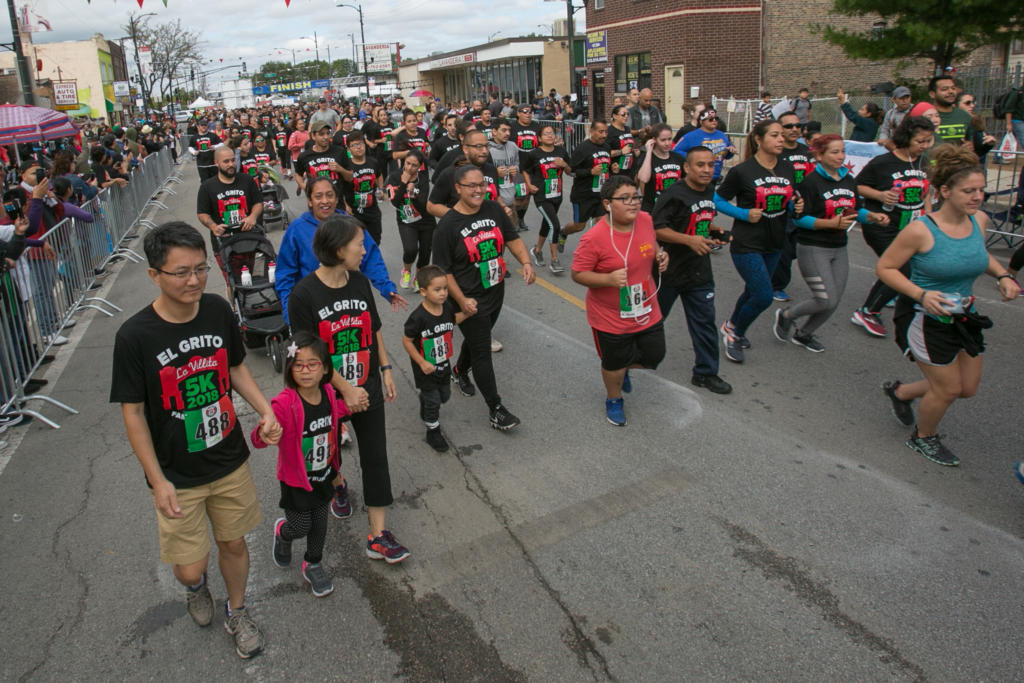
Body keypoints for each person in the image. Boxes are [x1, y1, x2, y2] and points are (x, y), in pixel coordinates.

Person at [110, 221, 282, 659]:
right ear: (154, 275)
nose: (193, 280)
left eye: (201, 269)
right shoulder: (134, 336)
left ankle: (238, 611)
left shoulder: (218, 310)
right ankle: (197, 588)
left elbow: (236, 367)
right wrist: (157, 480)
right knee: (189, 568)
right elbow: (133, 414)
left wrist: (265, 411)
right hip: (176, 473)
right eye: (181, 272)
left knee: (234, 542)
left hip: (227, 458)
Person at [877, 144, 1020, 466]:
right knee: (948, 389)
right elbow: (885, 268)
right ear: (944, 191)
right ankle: (923, 437)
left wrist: (1002, 276)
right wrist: (922, 295)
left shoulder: (979, 220)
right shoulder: (920, 230)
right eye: (968, 191)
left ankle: (900, 393)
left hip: (963, 315)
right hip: (924, 318)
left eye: (981, 190)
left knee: (966, 388)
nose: (977, 197)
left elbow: (978, 257)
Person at [287, 215, 411, 563]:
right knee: (329, 457)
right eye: (360, 244)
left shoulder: (359, 282)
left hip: (367, 385)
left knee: (375, 456)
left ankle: (378, 534)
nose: (365, 249)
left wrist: (385, 369)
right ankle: (338, 485)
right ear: (339, 249)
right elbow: (311, 357)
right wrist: (345, 390)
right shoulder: (303, 295)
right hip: (326, 393)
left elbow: (372, 330)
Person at [431, 165, 536, 430]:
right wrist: (462, 300)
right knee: (482, 351)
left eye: (482, 185)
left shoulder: (492, 208)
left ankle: (458, 371)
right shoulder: (447, 226)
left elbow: (511, 238)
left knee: (479, 336)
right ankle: (496, 409)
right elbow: (445, 272)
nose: (479, 190)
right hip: (469, 299)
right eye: (471, 186)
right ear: (458, 189)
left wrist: (525, 262)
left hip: (495, 289)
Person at [253, 332, 350, 598]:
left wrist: (351, 406)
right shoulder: (284, 403)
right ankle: (283, 533)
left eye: (313, 364)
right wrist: (264, 433)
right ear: (289, 369)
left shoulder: (329, 392)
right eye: (298, 365)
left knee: (320, 524)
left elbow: (335, 414)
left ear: (325, 368)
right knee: (301, 526)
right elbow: (260, 436)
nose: (305, 371)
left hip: (323, 474)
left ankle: (313, 562)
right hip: (296, 480)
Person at [772, 135, 890, 352]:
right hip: (813, 247)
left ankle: (804, 334)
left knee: (833, 300)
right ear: (819, 155)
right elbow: (799, 219)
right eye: (834, 152)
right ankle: (787, 315)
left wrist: (872, 217)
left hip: (839, 247)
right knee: (825, 299)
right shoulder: (810, 182)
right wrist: (831, 223)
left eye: (842, 151)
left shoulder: (848, 179)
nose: (841, 157)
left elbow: (855, 210)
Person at [571, 176, 669, 426]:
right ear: (607, 204)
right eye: (624, 199)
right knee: (614, 363)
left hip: (646, 307)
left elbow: (652, 242)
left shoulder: (645, 220)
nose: (633, 203)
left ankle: (623, 369)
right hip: (610, 316)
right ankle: (614, 398)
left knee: (655, 355)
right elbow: (578, 273)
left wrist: (659, 255)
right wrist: (608, 279)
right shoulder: (594, 237)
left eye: (635, 197)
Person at [714, 119, 803, 363]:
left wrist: (796, 207)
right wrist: (743, 213)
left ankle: (730, 324)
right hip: (747, 243)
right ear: (759, 139)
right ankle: (735, 333)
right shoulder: (742, 171)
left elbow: (788, 200)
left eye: (782, 136)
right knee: (763, 296)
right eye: (775, 135)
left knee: (753, 290)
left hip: (775, 241)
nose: (781, 140)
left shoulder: (787, 169)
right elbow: (717, 200)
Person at [651, 146, 732, 394]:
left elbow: (700, 220)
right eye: (700, 165)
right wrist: (690, 241)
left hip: (699, 271)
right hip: (670, 270)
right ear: (687, 167)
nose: (707, 170)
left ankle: (706, 373)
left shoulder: (709, 189)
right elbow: (656, 228)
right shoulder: (673, 194)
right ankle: (625, 364)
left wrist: (713, 232)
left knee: (705, 323)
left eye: (710, 164)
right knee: (653, 322)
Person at [850, 115, 935, 338]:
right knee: (900, 268)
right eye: (920, 141)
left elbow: (924, 190)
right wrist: (880, 194)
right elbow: (856, 186)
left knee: (910, 267)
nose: (924, 146)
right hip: (881, 224)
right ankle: (867, 311)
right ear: (906, 138)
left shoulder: (921, 161)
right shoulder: (883, 163)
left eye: (928, 141)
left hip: (910, 226)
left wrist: (930, 215)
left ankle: (898, 300)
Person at [275, 177, 406, 319]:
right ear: (309, 201)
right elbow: (285, 272)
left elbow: (370, 257)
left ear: (337, 199)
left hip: (347, 300)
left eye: (330, 195)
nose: (325, 201)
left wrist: (386, 288)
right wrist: (290, 310)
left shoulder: (350, 225)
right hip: (312, 304)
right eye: (318, 196)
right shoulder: (297, 229)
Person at [401, 265, 470, 452]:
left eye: (445, 289)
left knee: (444, 396)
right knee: (434, 401)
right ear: (423, 291)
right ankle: (433, 430)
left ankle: (426, 402)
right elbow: (407, 341)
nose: (443, 293)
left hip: (443, 363)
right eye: (437, 290)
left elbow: (453, 320)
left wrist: (466, 313)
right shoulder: (418, 317)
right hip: (425, 367)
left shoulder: (446, 307)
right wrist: (422, 362)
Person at [770, 111, 815, 302]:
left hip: (805, 206)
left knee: (801, 247)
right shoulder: (776, 153)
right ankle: (776, 285)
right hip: (782, 208)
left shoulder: (806, 151)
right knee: (784, 250)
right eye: (789, 126)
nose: (795, 129)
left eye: (798, 125)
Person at [521, 123, 571, 273]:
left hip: (557, 194)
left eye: (552, 133)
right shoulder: (534, 154)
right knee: (555, 225)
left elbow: (570, 171)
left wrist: (564, 164)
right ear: (539, 138)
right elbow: (525, 169)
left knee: (547, 224)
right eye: (546, 134)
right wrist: (529, 185)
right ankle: (554, 260)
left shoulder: (561, 152)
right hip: (541, 195)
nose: (550, 136)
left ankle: (537, 250)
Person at [196, 146, 263, 252]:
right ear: (216, 163)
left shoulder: (247, 180)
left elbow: (258, 202)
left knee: (248, 269)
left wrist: (252, 217)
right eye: (226, 161)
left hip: (248, 237)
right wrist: (213, 226)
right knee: (230, 269)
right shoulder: (207, 187)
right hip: (224, 242)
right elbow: (202, 213)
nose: (231, 164)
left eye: (233, 160)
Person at [386, 149, 435, 289]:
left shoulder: (423, 179)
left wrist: (413, 194)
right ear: (403, 161)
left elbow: (424, 205)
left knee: (425, 252)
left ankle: (419, 277)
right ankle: (406, 271)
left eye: (414, 165)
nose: (409, 168)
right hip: (406, 220)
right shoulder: (395, 176)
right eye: (407, 163)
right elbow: (395, 202)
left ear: (419, 166)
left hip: (426, 220)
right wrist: (403, 183)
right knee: (410, 249)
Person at [563, 120, 615, 247]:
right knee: (579, 226)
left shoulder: (607, 147)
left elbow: (606, 166)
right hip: (583, 195)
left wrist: (613, 167)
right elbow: (570, 171)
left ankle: (595, 251)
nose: (604, 135)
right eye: (600, 132)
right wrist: (590, 172)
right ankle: (562, 232)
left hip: (601, 194)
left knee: (601, 223)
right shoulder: (582, 148)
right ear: (591, 131)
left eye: (605, 132)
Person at [337, 131, 385, 246]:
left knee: (375, 240)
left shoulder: (373, 162)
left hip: (372, 209)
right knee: (357, 242)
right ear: (349, 149)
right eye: (354, 145)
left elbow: (379, 175)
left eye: (361, 144)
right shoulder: (347, 167)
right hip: (354, 212)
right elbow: (339, 188)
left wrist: (380, 189)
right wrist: (345, 205)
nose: (359, 147)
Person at [672, 108, 736, 185]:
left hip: (715, 176)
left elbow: (727, 155)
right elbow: (675, 151)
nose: (714, 121)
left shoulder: (721, 135)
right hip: (698, 177)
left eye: (716, 118)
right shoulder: (691, 136)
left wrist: (730, 151)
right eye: (710, 119)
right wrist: (694, 157)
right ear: (701, 121)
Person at [488, 119, 531, 231]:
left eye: (509, 130)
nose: (507, 133)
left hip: (510, 199)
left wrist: (515, 169)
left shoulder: (513, 146)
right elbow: (481, 172)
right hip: (495, 201)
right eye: (503, 130)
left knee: (511, 236)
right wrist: (495, 172)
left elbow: (517, 163)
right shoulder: (487, 149)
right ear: (494, 131)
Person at [636, 123, 685, 213]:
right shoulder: (646, 158)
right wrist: (649, 152)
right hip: (653, 209)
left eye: (669, 139)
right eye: (663, 140)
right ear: (654, 140)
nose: (667, 143)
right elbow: (644, 178)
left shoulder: (678, 158)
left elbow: (686, 182)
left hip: (673, 209)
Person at [293, 120, 346, 195]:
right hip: (316, 202)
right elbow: (298, 174)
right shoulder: (304, 156)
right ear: (313, 136)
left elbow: (350, 177)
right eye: (321, 134)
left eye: (328, 133)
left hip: (337, 201)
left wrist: (341, 169)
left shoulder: (339, 151)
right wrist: (304, 186)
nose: (326, 137)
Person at [929, 74, 973, 146]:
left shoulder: (965, 116)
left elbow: (972, 143)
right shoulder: (924, 116)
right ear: (932, 94)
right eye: (944, 89)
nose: (950, 91)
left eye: (953, 88)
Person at [956, 92, 996, 162]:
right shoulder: (948, 122)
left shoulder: (975, 121)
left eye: (973, 102)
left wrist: (989, 143)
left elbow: (980, 152)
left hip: (974, 165)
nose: (972, 105)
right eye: (967, 103)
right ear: (955, 105)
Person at [878, 86, 914, 150]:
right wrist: (883, 139)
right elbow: (885, 129)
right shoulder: (890, 113)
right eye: (901, 98)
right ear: (894, 100)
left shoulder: (916, 110)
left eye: (907, 97)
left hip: (911, 146)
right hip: (895, 147)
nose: (905, 100)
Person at [607, 105, 637, 177]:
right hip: (616, 170)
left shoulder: (627, 129)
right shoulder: (609, 131)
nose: (626, 116)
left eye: (627, 114)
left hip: (629, 169)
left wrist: (634, 151)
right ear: (615, 116)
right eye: (623, 114)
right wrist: (621, 151)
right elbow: (605, 152)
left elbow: (628, 146)